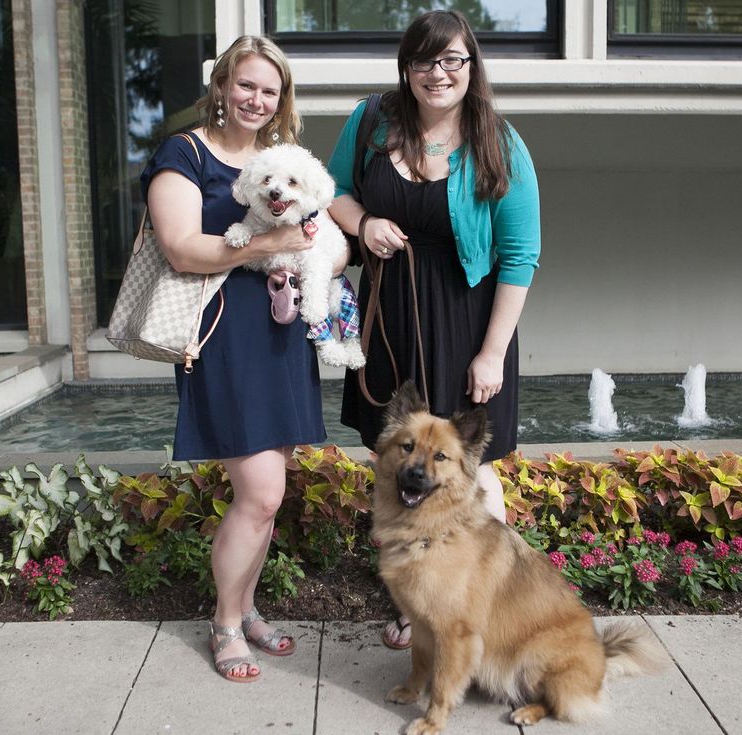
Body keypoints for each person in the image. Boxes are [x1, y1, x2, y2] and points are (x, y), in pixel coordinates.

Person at [327, 10, 541, 649]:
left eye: (452, 60)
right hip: (390, 316)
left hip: (466, 321)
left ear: (472, 67)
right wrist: (362, 223)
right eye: (425, 60)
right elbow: (332, 191)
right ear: (407, 67)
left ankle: (488, 611)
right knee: (397, 465)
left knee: (471, 474)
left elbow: (521, 252)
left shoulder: (499, 140)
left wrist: (493, 353)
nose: (438, 73)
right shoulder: (371, 122)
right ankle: (416, 608)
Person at [140, 36, 347, 683]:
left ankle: (247, 605)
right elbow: (179, 247)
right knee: (260, 493)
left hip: (283, 338)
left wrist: (321, 253)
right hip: (225, 337)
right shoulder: (185, 152)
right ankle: (227, 622)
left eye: (271, 89)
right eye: (247, 85)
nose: (258, 99)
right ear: (223, 85)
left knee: (268, 493)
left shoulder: (277, 160)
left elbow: (325, 237)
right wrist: (269, 245)